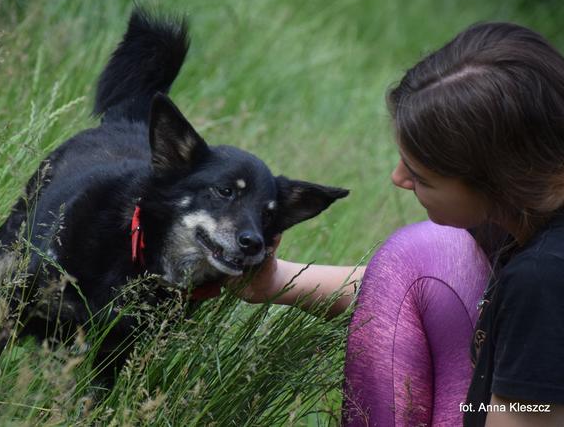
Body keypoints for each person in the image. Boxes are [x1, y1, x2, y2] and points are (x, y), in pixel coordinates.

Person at [230, 22, 564, 426]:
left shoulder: (544, 282)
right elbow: (402, 296)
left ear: (498, 184)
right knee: (424, 255)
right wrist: (276, 282)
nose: (398, 179)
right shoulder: (527, 211)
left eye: (422, 177)